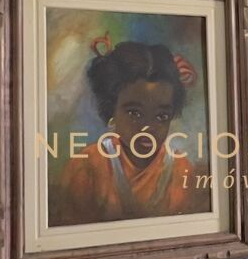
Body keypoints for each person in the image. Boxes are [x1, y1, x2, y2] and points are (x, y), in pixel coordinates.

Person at [55, 39, 206, 224]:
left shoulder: (180, 169)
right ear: (112, 109)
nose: (148, 128)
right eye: (135, 113)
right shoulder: (87, 166)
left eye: (161, 116)